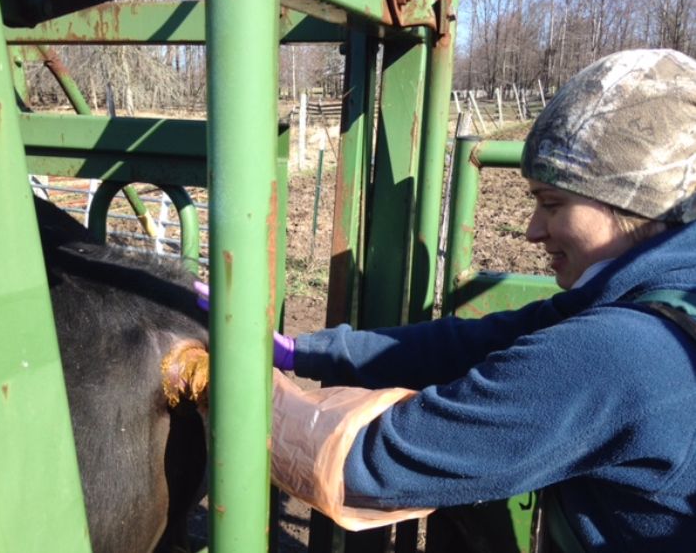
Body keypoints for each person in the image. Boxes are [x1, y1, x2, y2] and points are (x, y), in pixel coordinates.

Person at [194, 48, 696, 551]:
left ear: (635, 204)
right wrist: (303, 350)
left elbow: (365, 465)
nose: (532, 230)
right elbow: (470, 343)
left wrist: (215, 384)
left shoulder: (621, 353)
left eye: (552, 204)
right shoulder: (662, 297)